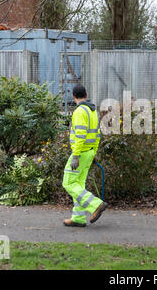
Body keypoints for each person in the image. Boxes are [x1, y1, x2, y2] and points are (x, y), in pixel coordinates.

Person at [62, 84, 107, 227]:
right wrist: (93, 153)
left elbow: (80, 135)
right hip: (88, 153)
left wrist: (75, 155)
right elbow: (97, 135)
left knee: (68, 183)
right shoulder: (93, 112)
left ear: (73, 96)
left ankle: (96, 205)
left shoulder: (79, 112)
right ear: (86, 94)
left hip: (80, 154)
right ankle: (78, 218)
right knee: (79, 185)